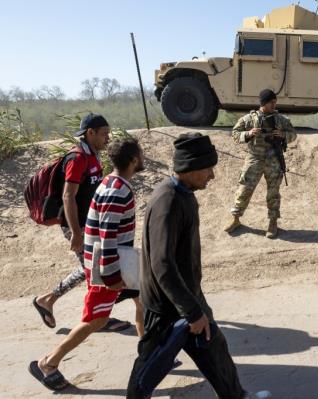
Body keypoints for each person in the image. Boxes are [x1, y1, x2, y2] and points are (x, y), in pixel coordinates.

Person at [127, 133, 271, 399]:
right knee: (149, 366)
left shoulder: (184, 194)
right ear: (190, 167)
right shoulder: (167, 202)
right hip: (166, 307)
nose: (212, 175)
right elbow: (163, 265)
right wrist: (192, 312)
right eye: (208, 168)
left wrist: (194, 306)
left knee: (215, 348)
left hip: (188, 295)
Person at [29, 138, 146, 391]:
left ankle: (150, 356)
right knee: (96, 320)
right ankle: (48, 363)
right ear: (134, 160)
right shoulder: (119, 190)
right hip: (109, 267)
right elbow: (107, 233)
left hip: (116, 263)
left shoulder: (109, 182)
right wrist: (112, 275)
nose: (143, 158)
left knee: (143, 303)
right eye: (142, 155)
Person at [32, 113, 130, 332]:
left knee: (92, 268)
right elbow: (69, 196)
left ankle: (49, 301)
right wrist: (76, 233)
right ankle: (96, 319)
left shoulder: (92, 156)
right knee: (94, 269)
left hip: (89, 223)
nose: (107, 138)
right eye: (104, 133)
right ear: (90, 133)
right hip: (75, 224)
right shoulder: (77, 158)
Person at [223, 88, 297, 239]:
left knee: (273, 193)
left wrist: (282, 135)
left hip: (273, 159)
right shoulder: (248, 119)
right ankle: (235, 219)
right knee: (244, 189)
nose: (274, 105)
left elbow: (293, 135)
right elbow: (235, 134)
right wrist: (249, 134)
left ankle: (273, 222)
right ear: (263, 103)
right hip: (254, 158)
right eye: (271, 103)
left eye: (275, 102)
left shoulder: (281, 120)